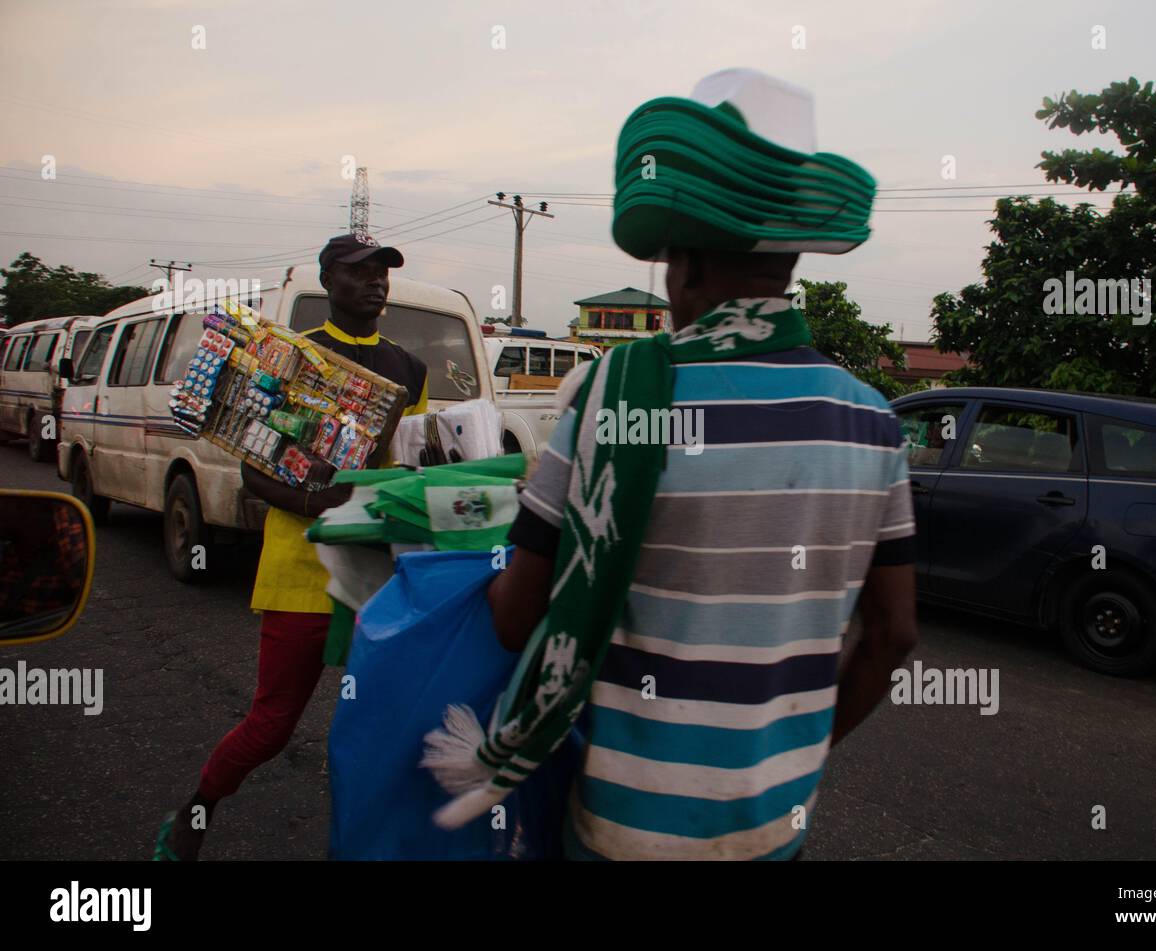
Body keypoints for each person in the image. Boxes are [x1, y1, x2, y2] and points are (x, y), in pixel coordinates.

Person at [424, 69, 918, 860]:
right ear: (790, 257)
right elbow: (894, 632)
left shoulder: (610, 393)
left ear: (682, 265)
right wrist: (799, 754)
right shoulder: (873, 419)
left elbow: (519, 614)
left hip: (625, 829)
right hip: (773, 826)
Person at [154, 232, 428, 861]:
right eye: (359, 272)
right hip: (300, 571)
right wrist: (316, 504)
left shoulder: (408, 371)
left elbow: (411, 466)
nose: (375, 282)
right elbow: (254, 469)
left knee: (386, 721)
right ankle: (196, 812)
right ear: (328, 281)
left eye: (382, 271)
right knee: (272, 725)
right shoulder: (290, 358)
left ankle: (372, 840)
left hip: (374, 575)